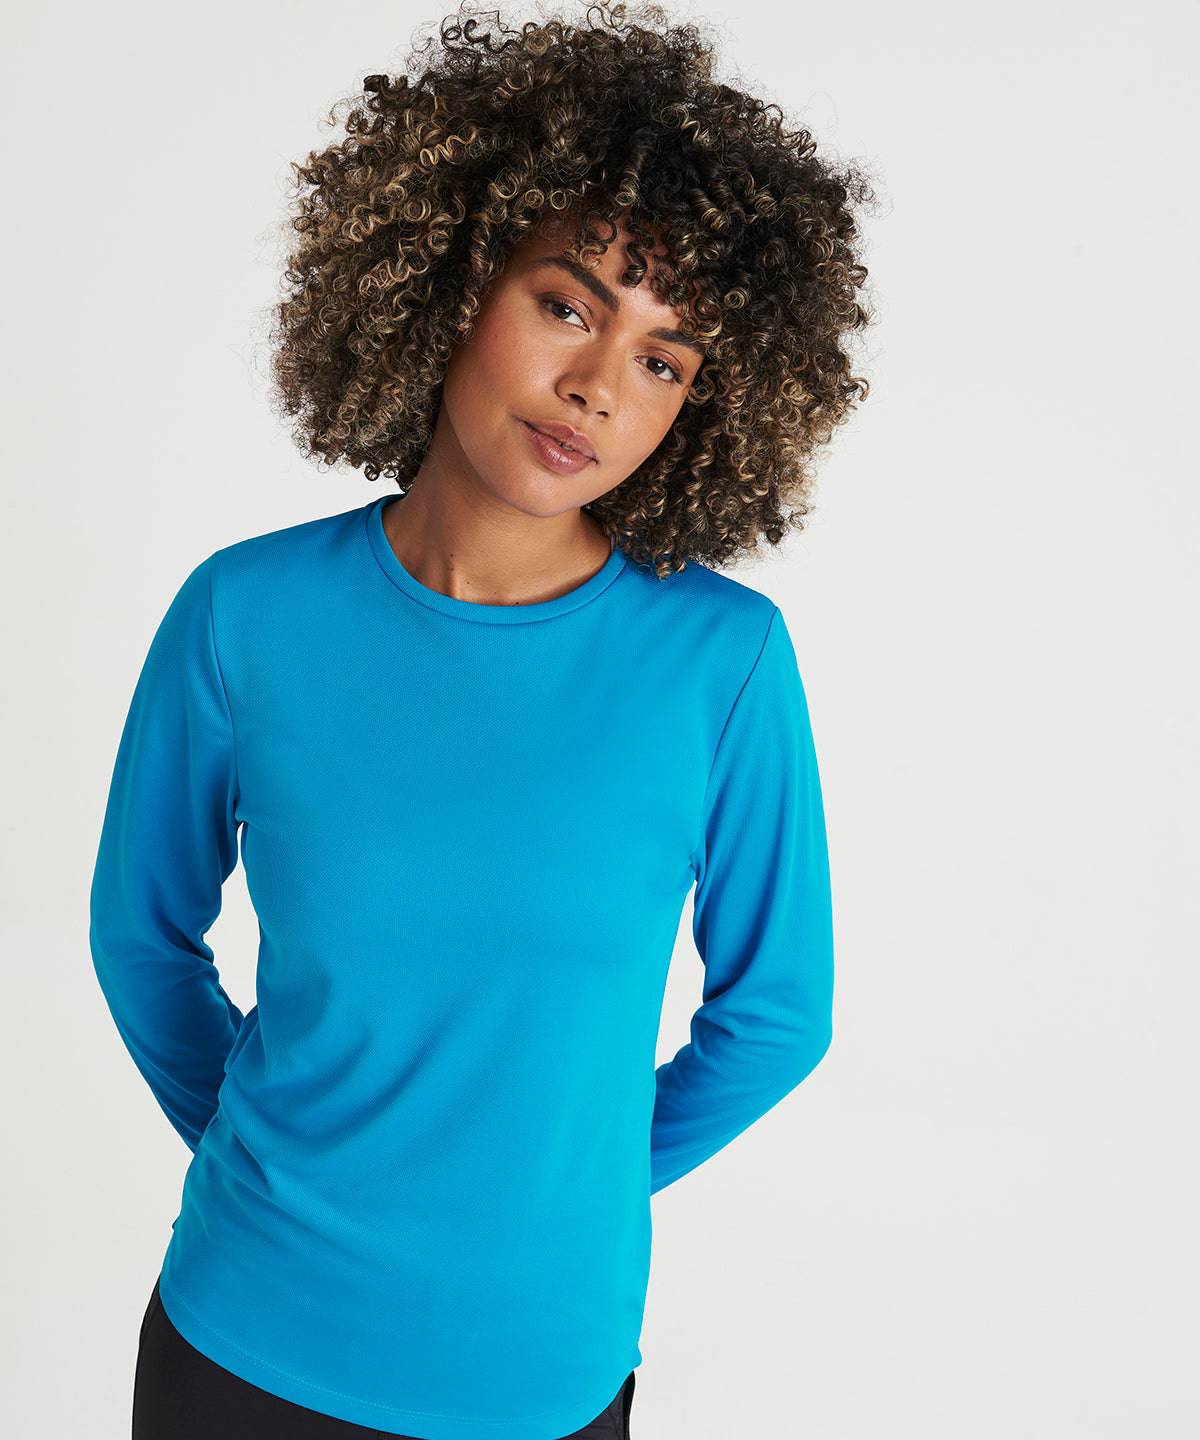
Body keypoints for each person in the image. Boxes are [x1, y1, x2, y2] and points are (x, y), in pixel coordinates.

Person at [89, 4, 875, 1437]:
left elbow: (778, 1015)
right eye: (569, 305)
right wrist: (270, 1149)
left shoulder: (723, 662)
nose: (595, 386)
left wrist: (563, 1186)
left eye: (664, 360)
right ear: (453, 272)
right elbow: (140, 936)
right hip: (240, 1344)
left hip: (536, 1379)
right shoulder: (244, 614)